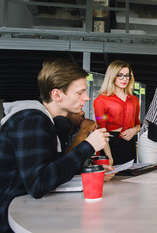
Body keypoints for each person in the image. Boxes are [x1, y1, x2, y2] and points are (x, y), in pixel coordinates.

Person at [0, 59, 110, 233]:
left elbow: (50, 167)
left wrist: (89, 171)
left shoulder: (44, 121)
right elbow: (38, 184)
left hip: (26, 209)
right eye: (80, 92)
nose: (86, 98)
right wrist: (88, 145)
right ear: (57, 95)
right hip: (10, 218)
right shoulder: (32, 120)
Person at [94, 60, 141, 165]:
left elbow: (138, 124)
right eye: (120, 75)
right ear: (112, 76)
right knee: (111, 179)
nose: (124, 79)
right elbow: (101, 130)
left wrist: (134, 130)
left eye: (127, 75)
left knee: (129, 178)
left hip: (129, 144)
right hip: (109, 144)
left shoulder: (134, 100)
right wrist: (109, 157)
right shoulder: (101, 100)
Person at [54, 110, 115, 181]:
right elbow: (65, 164)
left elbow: (101, 136)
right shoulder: (58, 132)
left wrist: (94, 173)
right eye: (77, 111)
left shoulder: (80, 127)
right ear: (65, 115)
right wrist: (85, 130)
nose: (83, 113)